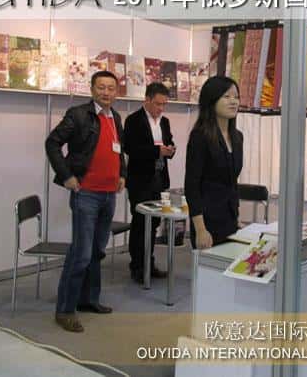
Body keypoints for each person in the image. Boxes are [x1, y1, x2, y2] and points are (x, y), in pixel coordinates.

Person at [45, 70, 126, 333]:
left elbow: (119, 150)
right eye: (101, 87)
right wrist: (66, 176)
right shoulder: (78, 115)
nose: (106, 92)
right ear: (92, 90)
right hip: (86, 195)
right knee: (80, 254)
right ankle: (65, 310)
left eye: (111, 88)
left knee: (97, 251)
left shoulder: (115, 117)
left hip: (109, 195)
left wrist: (122, 175)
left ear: (116, 92)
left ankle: (88, 300)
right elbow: (52, 143)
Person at [124, 82, 175, 283]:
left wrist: (170, 150)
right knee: (140, 223)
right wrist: (156, 151)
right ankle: (137, 266)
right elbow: (130, 148)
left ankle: (149, 263)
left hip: (159, 178)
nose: (161, 108)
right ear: (147, 100)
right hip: (140, 180)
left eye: (164, 104)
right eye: (158, 104)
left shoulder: (165, 121)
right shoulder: (133, 120)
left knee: (154, 223)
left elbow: (169, 141)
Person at [185, 76, 243, 249]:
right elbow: (192, 186)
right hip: (206, 220)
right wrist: (200, 229)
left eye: (236, 97)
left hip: (230, 218)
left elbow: (232, 183)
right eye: (227, 96)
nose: (233, 101)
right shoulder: (200, 136)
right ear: (212, 100)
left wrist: (236, 217)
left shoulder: (237, 137)